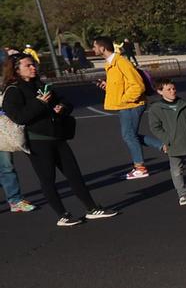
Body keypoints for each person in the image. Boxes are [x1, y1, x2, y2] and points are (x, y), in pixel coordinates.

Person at [1, 53, 113, 225]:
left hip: (57, 136)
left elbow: (64, 101)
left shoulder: (40, 84)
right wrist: (40, 103)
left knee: (74, 174)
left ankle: (92, 208)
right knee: (48, 179)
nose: (33, 68)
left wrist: (62, 107)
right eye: (28, 66)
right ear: (16, 71)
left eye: (33, 65)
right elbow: (19, 117)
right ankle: (62, 215)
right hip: (37, 140)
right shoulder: (13, 91)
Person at [89, 35, 154, 179]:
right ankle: (165, 147)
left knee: (129, 135)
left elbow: (137, 85)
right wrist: (108, 86)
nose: (92, 49)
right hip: (126, 105)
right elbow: (122, 85)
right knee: (131, 135)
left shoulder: (121, 62)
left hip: (131, 105)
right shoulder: (111, 64)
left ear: (102, 48)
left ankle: (140, 167)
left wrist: (125, 99)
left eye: (94, 46)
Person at [144, 77, 186, 205]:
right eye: (168, 89)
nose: (172, 91)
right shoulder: (156, 108)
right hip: (173, 144)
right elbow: (155, 127)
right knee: (176, 170)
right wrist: (168, 139)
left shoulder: (185, 104)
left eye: (174, 88)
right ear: (160, 92)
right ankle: (182, 195)